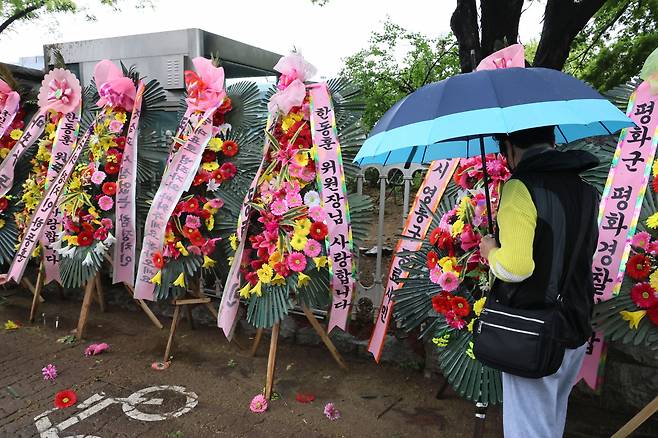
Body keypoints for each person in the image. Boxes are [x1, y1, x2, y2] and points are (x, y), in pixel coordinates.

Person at [479, 126, 600, 437]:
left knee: (529, 429)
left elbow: (516, 267)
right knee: (550, 420)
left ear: (508, 146)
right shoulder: (584, 189)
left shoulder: (520, 187)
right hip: (574, 321)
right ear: (552, 140)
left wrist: (491, 251)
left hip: (533, 329)